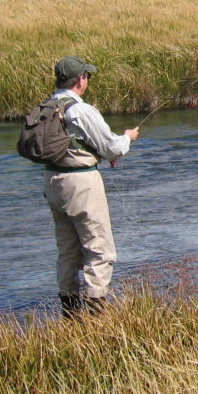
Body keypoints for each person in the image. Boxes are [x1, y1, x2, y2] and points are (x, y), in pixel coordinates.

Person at [43, 56, 139, 318]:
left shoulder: (47, 106)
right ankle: (96, 318)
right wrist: (127, 138)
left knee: (68, 251)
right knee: (100, 250)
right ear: (81, 79)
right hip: (81, 184)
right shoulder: (81, 110)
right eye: (87, 76)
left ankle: (71, 316)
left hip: (52, 182)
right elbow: (112, 147)